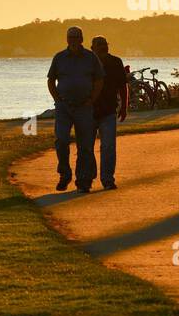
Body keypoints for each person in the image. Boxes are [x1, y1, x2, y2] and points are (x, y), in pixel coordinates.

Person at [46, 26, 104, 192]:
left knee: (85, 145)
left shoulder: (90, 57)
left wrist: (92, 99)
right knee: (61, 140)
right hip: (64, 106)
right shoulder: (59, 57)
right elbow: (51, 80)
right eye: (70, 37)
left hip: (84, 107)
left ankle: (83, 179)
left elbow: (99, 80)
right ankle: (64, 174)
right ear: (67, 39)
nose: (73, 40)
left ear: (81, 39)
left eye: (76, 37)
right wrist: (57, 99)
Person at [89, 35, 129, 190]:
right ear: (92, 48)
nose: (103, 47)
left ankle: (107, 179)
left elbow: (122, 86)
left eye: (105, 44)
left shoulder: (115, 62)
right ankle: (88, 177)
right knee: (86, 146)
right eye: (99, 45)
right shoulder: (87, 63)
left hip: (109, 111)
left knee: (109, 147)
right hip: (89, 111)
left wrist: (124, 107)